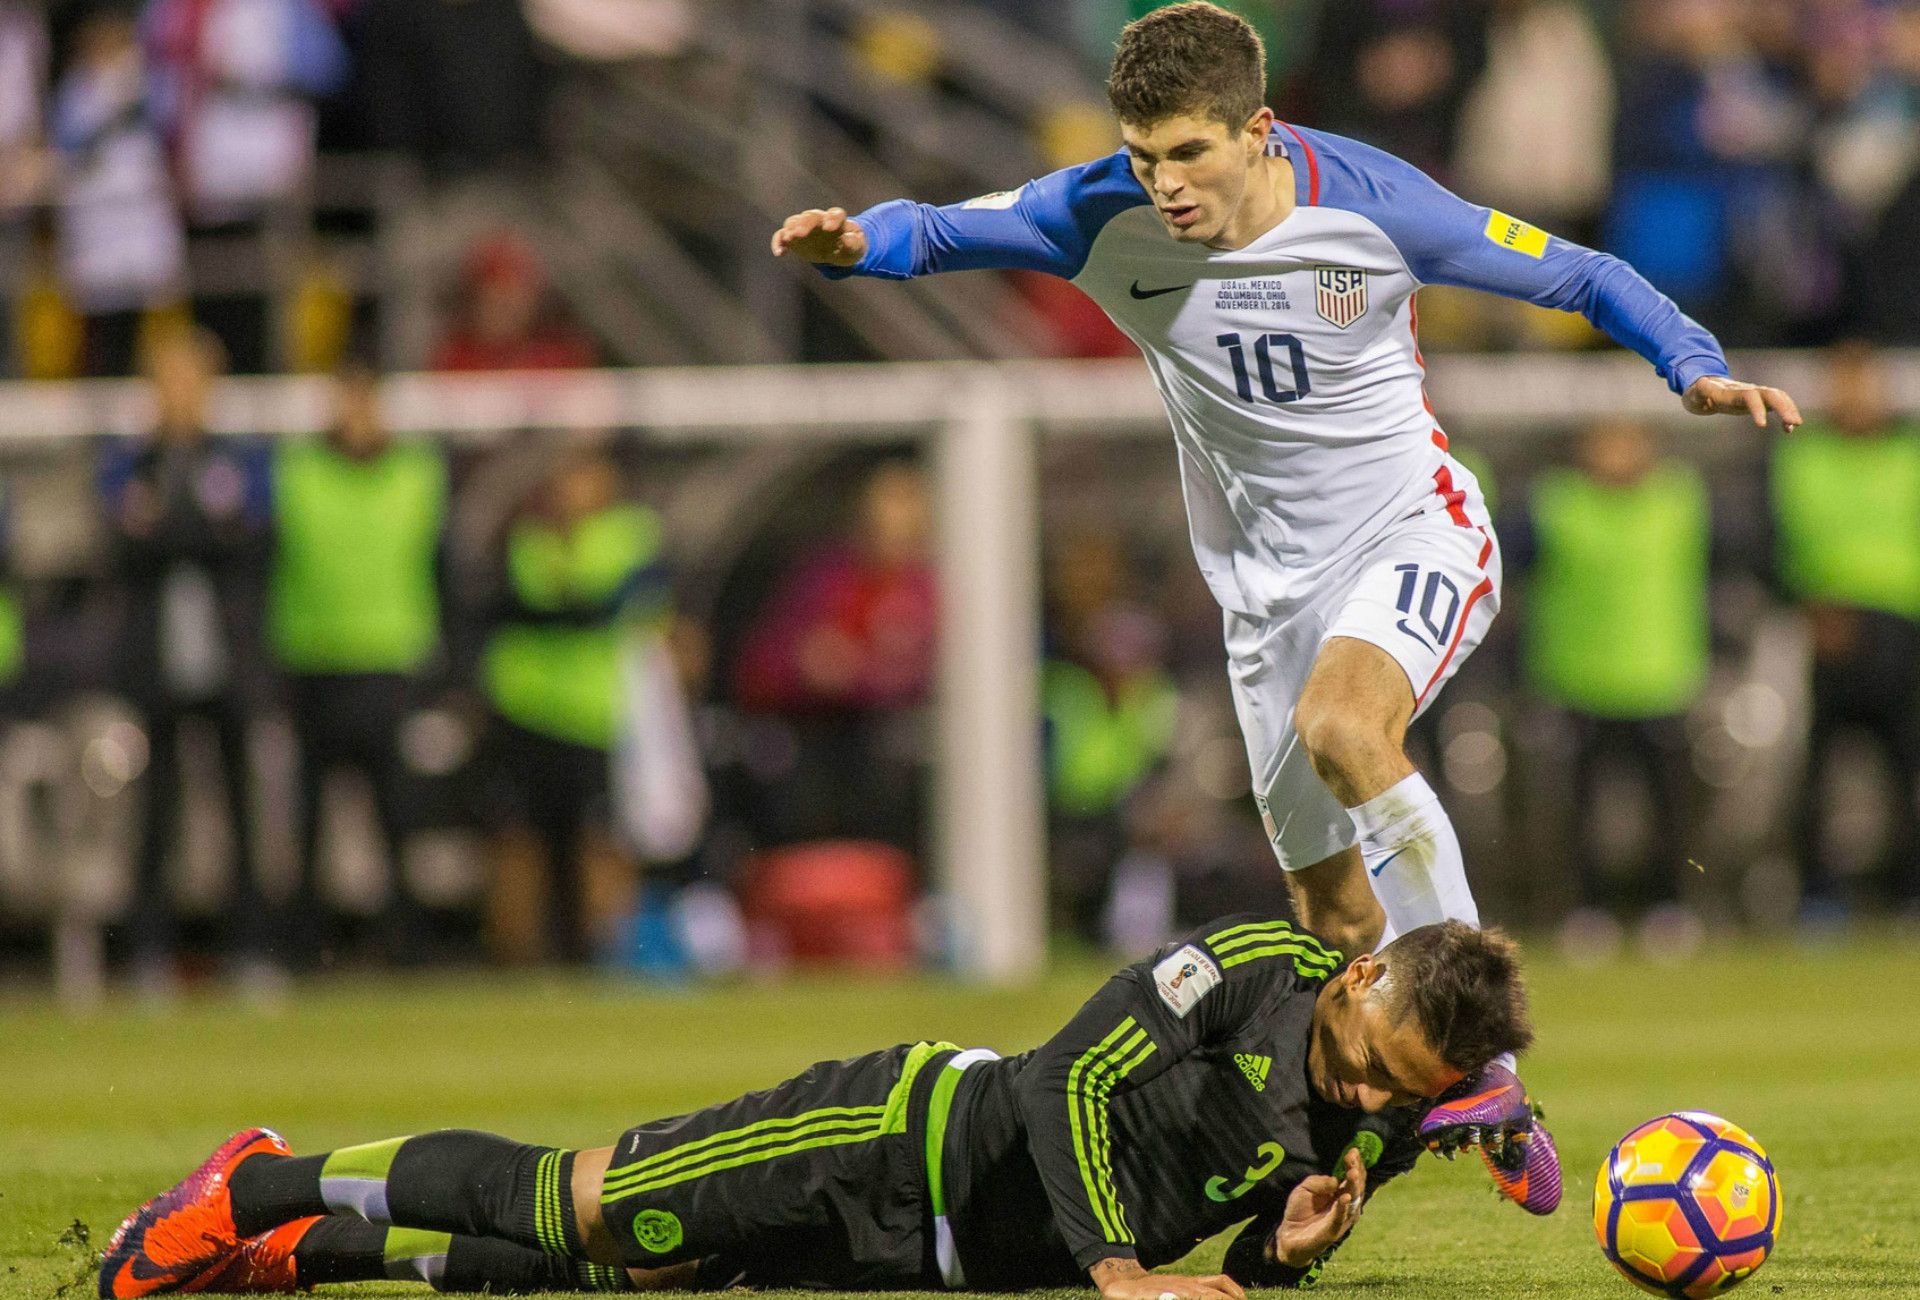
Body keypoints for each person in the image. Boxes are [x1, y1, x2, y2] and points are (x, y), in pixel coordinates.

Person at [769, 0, 1802, 1214]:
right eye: (1144, 154)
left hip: (1414, 531)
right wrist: (851, 243)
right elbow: (938, 232)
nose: (1163, 184)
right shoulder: (1093, 210)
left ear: (1259, 131)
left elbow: (1576, 268)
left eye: (1189, 152)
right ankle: (1384, 1135)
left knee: (1349, 726)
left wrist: (1692, 362)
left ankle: (1491, 1067)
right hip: (1262, 600)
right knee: (1331, 920)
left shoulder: (1371, 201)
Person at [100, 917, 1534, 1297]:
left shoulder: (1398, 1107)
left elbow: (1239, 1264)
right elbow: (1063, 1080)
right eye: (1359, 1061)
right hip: (894, 1137)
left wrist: (1283, 1256)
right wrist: (1114, 1270)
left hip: (935, 1258)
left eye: (1389, 1096)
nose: (1358, 1096)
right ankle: (257, 1186)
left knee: (617, 1275)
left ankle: (305, 1254)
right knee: (579, 1205)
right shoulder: (1239, 966)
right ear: (1357, 976)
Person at [99, 324, 275, 991]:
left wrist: (170, 528)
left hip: (227, 661)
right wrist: (197, 529)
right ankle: (148, 955)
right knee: (156, 818)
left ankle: (253, 953)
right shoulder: (130, 460)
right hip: (157, 663)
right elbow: (122, 547)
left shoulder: (237, 458)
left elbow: (251, 542)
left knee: (240, 815)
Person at [268, 362, 449, 966]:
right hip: (313, 660)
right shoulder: (299, 472)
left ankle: (409, 946)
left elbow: (439, 568)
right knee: (309, 821)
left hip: (388, 661)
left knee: (396, 817)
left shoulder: (415, 472)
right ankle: (302, 949)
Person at [1512, 421, 1711, 956]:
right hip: (1578, 680)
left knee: (1667, 807)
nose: (1616, 455)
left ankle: (1669, 907)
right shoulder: (1556, 504)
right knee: (1579, 810)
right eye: (1604, 442)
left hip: (1661, 678)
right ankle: (1586, 909)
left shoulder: (1679, 499)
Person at [480, 448, 667, 963]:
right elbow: (508, 608)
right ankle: (517, 960)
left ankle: (607, 954)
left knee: (599, 841)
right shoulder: (522, 539)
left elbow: (619, 606)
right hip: (521, 710)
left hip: (591, 716)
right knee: (518, 840)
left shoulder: (631, 536)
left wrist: (560, 611)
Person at [1772, 341, 1920, 917]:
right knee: (1820, 773)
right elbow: (1776, 542)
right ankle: (1818, 897)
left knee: (1903, 769)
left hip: (1902, 629)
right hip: (1830, 627)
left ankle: (1907, 891)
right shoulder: (1800, 456)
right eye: (1844, 382)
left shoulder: (1909, 454)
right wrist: (1803, 604)